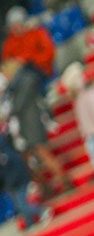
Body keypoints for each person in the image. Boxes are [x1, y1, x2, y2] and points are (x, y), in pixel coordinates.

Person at [2, 58, 69, 194]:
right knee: (29, 161)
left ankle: (65, 182)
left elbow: (18, 106)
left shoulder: (26, 81)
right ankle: (46, 188)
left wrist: (5, 113)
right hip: (22, 129)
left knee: (43, 154)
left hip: (32, 125)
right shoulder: (14, 86)